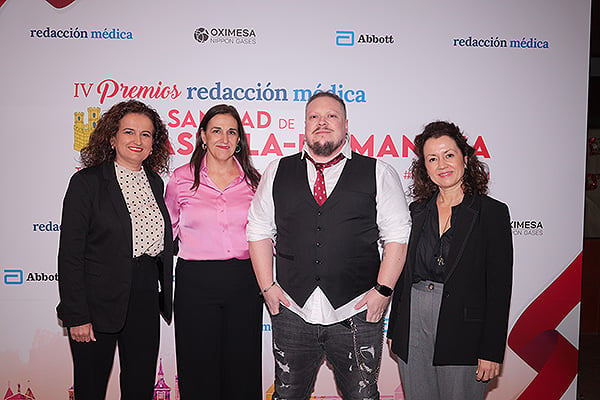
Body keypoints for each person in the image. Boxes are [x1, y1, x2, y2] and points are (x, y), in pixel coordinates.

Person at [247, 92, 411, 400]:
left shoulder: (379, 172)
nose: (322, 123)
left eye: (331, 116)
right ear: (305, 126)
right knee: (286, 395)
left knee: (363, 396)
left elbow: (397, 236)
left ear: (346, 125)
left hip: (358, 311)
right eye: (314, 117)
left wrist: (384, 291)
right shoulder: (276, 171)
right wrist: (267, 287)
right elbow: (257, 230)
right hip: (292, 311)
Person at [387, 121, 513, 400]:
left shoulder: (491, 213)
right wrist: (396, 327)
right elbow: (403, 276)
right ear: (425, 168)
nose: (441, 164)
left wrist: (491, 350)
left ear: (465, 159)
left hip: (464, 330)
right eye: (432, 158)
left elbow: (499, 287)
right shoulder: (416, 211)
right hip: (413, 324)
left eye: (449, 155)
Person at [56, 100, 173, 400]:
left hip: (145, 296)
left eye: (146, 135)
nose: (137, 140)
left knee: (139, 388)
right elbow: (70, 254)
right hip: (96, 302)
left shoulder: (156, 183)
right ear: (112, 137)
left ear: (153, 144)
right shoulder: (87, 182)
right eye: (129, 132)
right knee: (91, 389)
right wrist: (77, 315)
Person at [165, 104, 263, 400]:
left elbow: (265, 235)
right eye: (217, 130)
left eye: (232, 131)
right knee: (198, 367)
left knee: (242, 366)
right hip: (196, 282)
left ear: (239, 139)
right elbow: (166, 233)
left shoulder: (254, 181)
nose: (224, 137)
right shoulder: (180, 179)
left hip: (244, 281)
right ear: (203, 136)